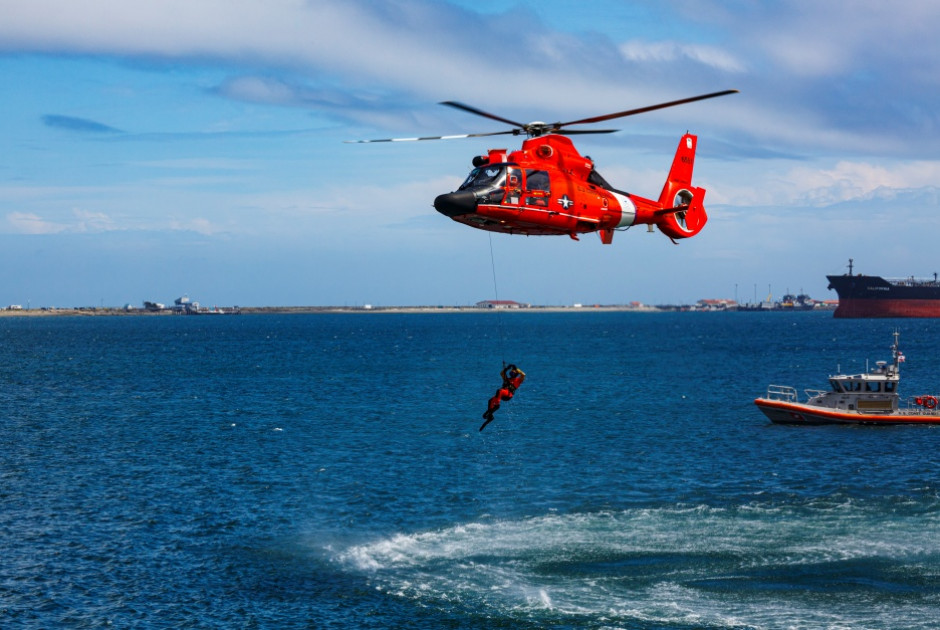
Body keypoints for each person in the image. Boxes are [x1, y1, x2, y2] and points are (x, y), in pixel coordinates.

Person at [480, 364, 526, 431]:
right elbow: (502, 373)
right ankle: (490, 415)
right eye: (511, 372)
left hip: (508, 395)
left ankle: (497, 405)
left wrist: (517, 369)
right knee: (490, 401)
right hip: (501, 395)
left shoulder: (518, 380)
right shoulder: (507, 379)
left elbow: (523, 375)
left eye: (513, 372)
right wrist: (507, 368)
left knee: (499, 391)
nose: (512, 373)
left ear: (516, 373)